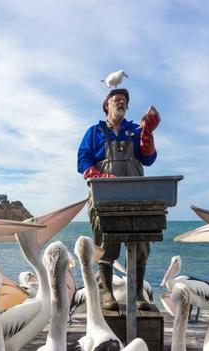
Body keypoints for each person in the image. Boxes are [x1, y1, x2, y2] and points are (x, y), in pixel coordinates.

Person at [77, 88, 160, 310]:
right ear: (107, 105)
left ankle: (138, 294)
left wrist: (148, 132)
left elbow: (149, 159)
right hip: (104, 197)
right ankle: (107, 294)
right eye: (116, 99)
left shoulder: (136, 130)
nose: (121, 102)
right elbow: (82, 160)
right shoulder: (94, 132)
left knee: (141, 246)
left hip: (136, 198)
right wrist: (98, 175)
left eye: (124, 100)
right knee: (106, 245)